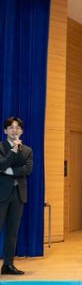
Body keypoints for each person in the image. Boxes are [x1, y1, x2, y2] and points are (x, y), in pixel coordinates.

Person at [0, 117, 33, 275]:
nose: (15, 130)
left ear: (22, 131)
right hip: (2, 194)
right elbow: (1, 164)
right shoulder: (1, 147)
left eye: (18, 127)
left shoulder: (27, 150)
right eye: (11, 127)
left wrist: (10, 171)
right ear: (5, 131)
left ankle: (8, 265)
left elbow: (28, 169)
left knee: (13, 232)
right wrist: (13, 150)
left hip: (19, 194)